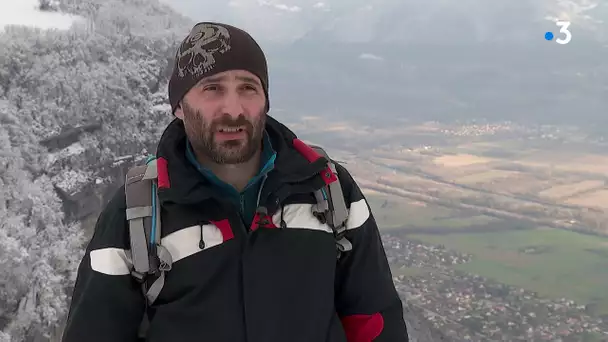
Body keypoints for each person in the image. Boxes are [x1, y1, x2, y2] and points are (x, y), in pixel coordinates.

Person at [61, 21, 408, 342]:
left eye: (248, 88)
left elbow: (375, 322)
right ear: (179, 107)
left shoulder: (329, 190)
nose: (233, 109)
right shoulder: (137, 215)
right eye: (212, 88)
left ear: (265, 100)